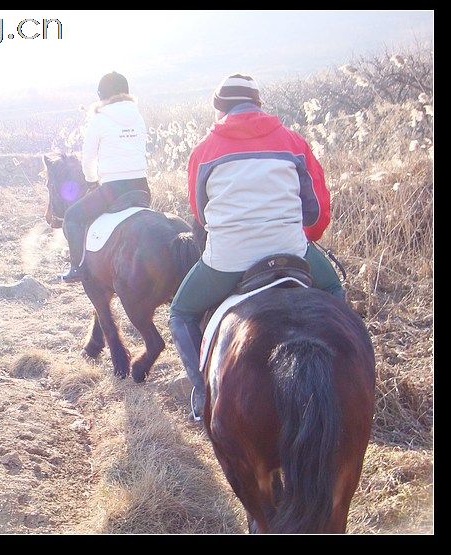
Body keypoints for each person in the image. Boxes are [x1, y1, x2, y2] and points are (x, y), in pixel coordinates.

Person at [168, 73, 345, 421]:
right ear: (258, 104)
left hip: (229, 258)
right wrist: (305, 234)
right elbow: (318, 210)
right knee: (334, 289)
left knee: (180, 313)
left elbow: (201, 213)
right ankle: (338, 377)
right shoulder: (293, 142)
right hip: (292, 250)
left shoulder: (204, 151)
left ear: (220, 108)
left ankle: (203, 395)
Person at [60, 71, 150, 283]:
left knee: (72, 217)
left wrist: (92, 182)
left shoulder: (99, 119)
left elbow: (88, 159)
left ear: (102, 95)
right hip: (142, 187)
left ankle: (77, 267)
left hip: (114, 188)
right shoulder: (137, 116)